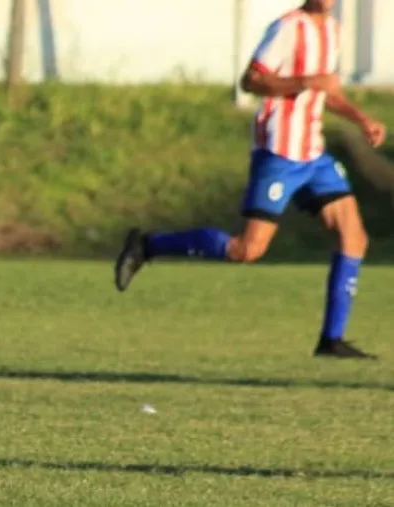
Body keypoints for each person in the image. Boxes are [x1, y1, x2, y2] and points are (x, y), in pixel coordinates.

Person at [114, 0, 386, 359]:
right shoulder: (288, 27)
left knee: (353, 236)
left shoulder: (332, 31)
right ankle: (148, 246)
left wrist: (361, 118)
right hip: (278, 153)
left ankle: (331, 340)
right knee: (248, 249)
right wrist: (305, 80)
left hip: (313, 154)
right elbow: (251, 79)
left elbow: (326, 92)